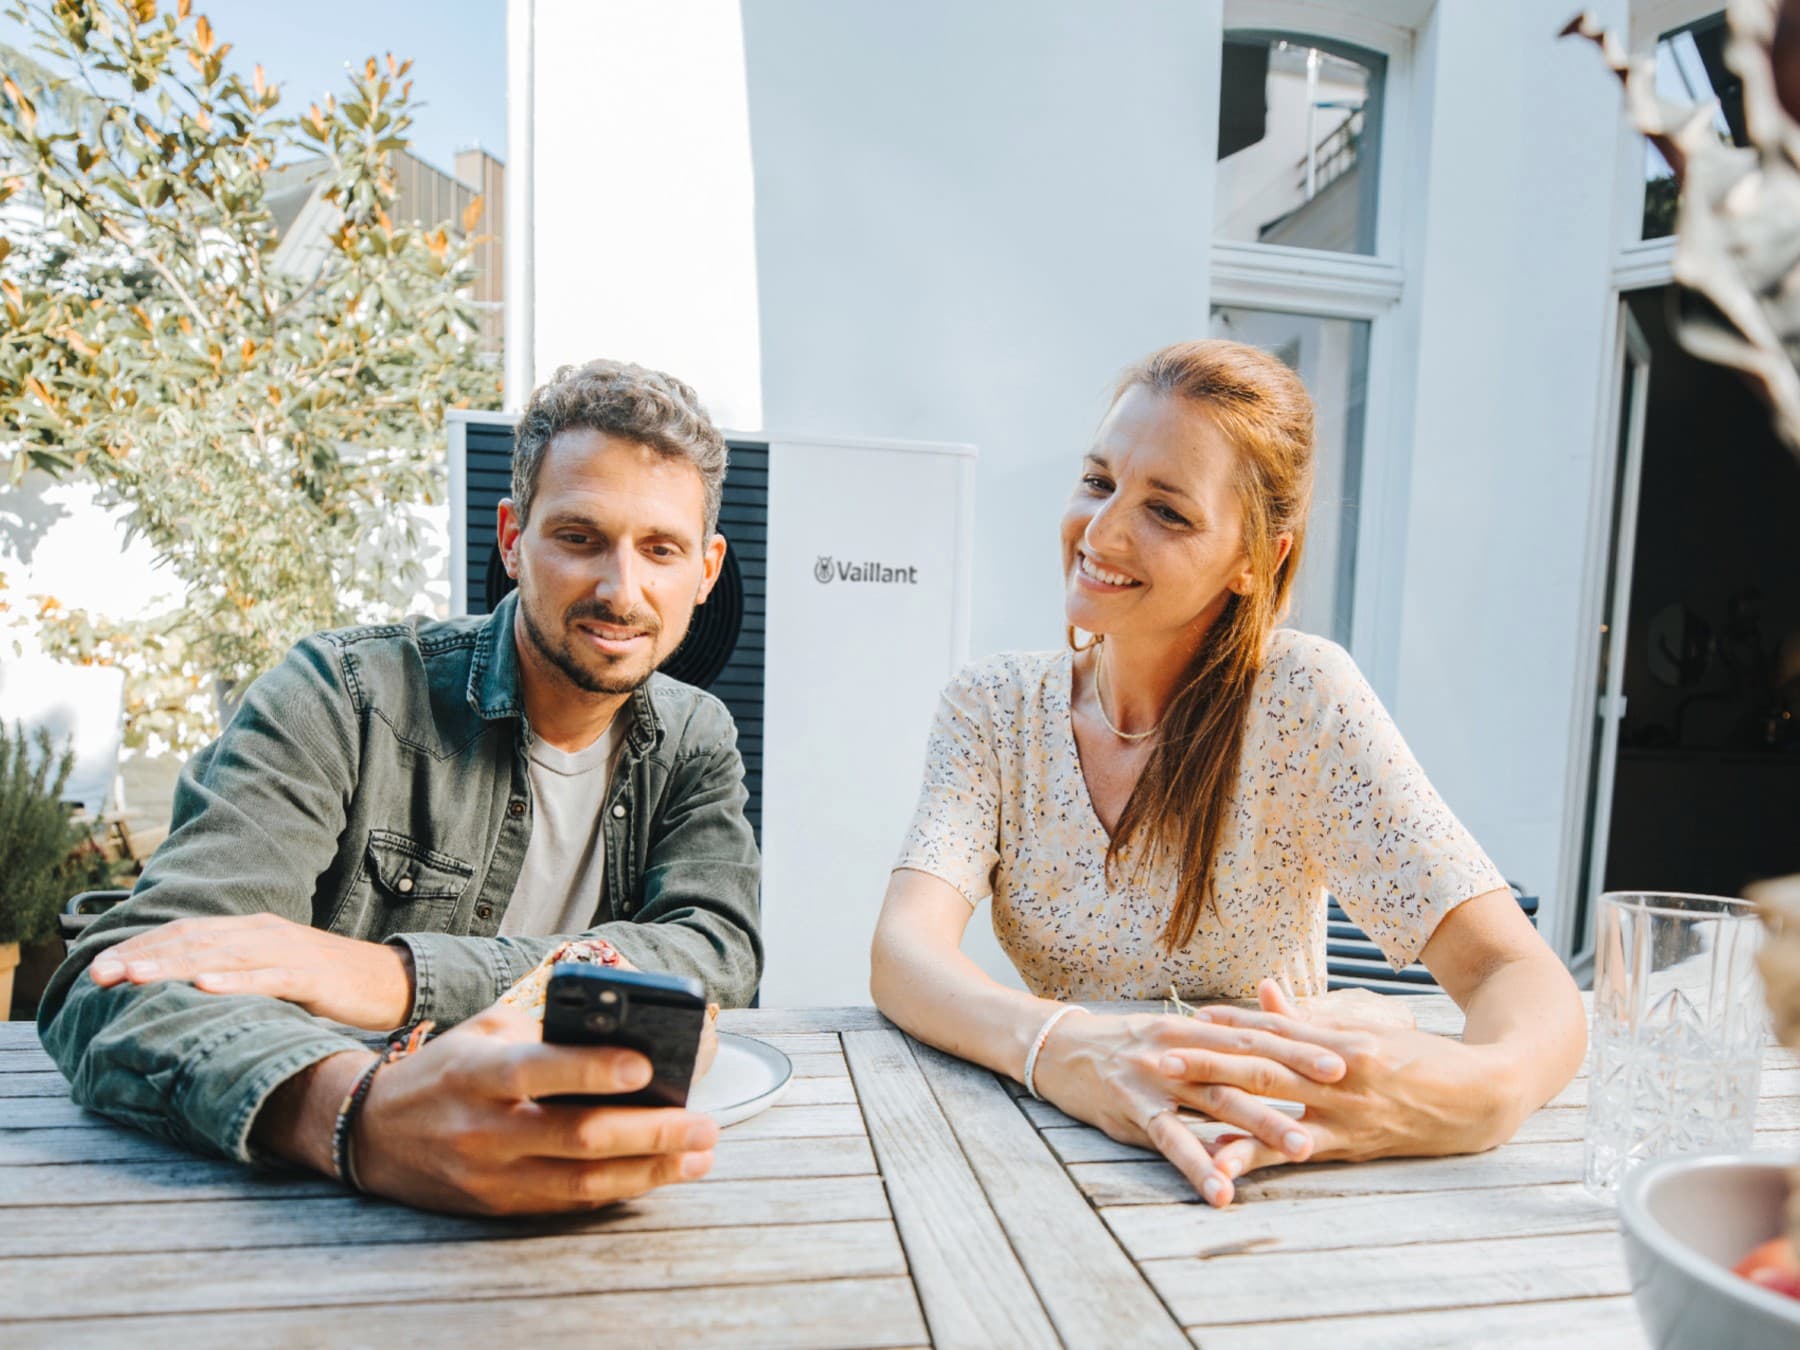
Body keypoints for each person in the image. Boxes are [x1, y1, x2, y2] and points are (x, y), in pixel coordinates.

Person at [869, 339, 1586, 1208]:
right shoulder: (991, 707)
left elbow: (1518, 975)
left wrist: (1482, 1096)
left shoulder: (1301, 700)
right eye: (1099, 481)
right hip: (1060, 1150)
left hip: (1272, 1162)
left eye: (1167, 512)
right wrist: (1061, 1049)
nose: (1101, 532)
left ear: (1258, 559)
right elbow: (904, 952)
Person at [38, 359, 763, 1215]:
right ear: (511, 537)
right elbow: (120, 983)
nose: (620, 588)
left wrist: (396, 977)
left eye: (660, 550)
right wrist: (357, 1118)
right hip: (298, 1214)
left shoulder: (695, 736)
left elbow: (716, 954)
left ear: (706, 571)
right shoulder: (343, 695)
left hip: (610, 1200)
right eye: (578, 537)